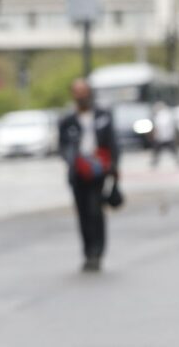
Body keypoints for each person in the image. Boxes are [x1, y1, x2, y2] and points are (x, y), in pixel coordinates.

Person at [59, 79, 120, 273]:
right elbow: (63, 147)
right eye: (77, 92)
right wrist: (73, 160)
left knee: (95, 211)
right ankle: (87, 253)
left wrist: (114, 168)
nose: (81, 95)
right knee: (83, 213)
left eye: (84, 91)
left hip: (98, 171)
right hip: (77, 173)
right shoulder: (67, 121)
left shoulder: (103, 116)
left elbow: (113, 143)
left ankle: (97, 252)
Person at [151, 101, 179, 168]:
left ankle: (154, 163)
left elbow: (158, 127)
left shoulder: (161, 115)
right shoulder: (167, 114)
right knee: (158, 152)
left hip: (164, 137)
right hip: (166, 137)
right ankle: (154, 163)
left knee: (171, 151)